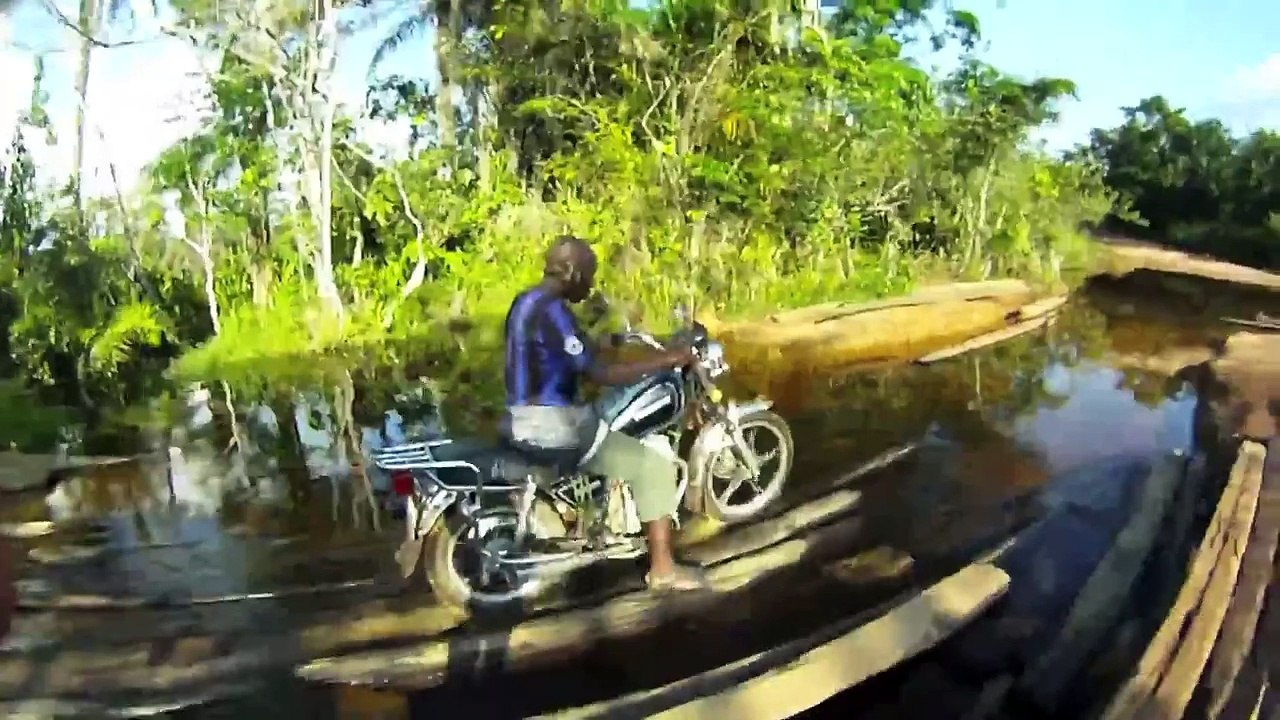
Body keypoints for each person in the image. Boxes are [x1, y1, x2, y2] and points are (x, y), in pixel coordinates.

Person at [503, 235, 708, 592]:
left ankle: (603, 510)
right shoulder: (554, 309)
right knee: (651, 465)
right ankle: (663, 570)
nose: (590, 283)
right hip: (552, 423)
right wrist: (669, 358)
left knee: (604, 423)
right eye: (588, 274)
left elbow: (567, 349)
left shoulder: (528, 301)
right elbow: (600, 373)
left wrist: (613, 342)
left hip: (521, 415)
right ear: (570, 271)